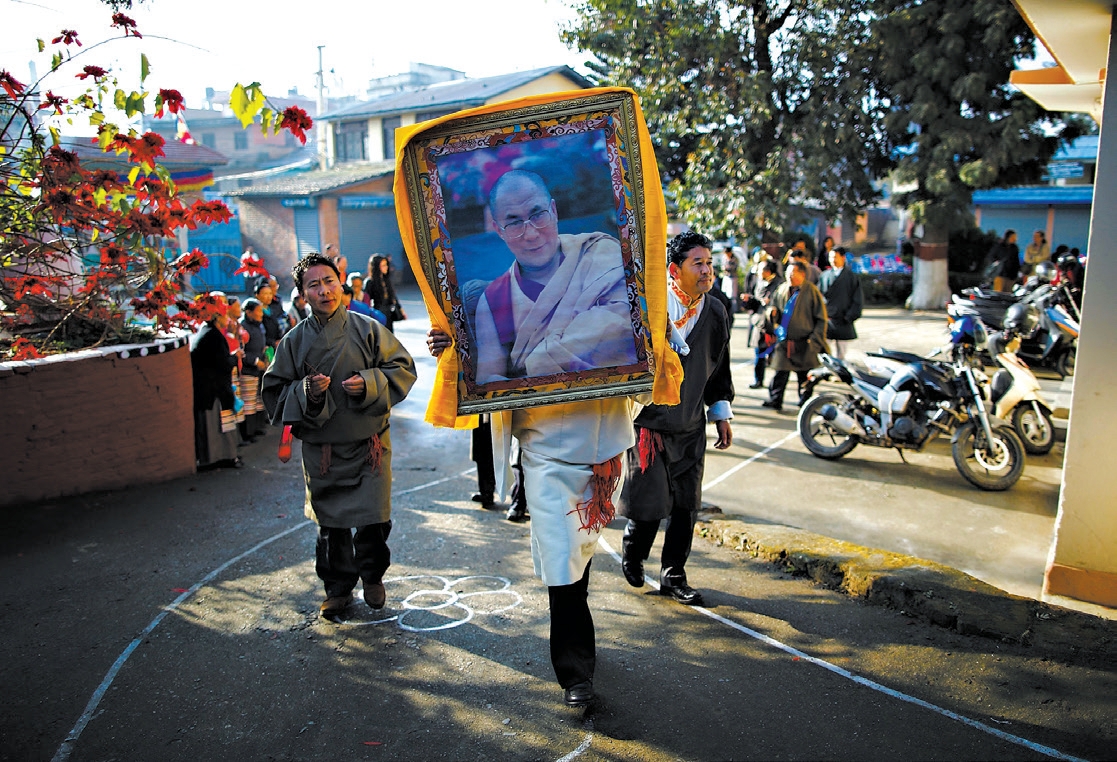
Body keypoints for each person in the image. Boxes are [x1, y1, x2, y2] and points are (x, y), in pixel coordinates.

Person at [263, 253, 417, 620]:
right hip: (324, 451)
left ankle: (373, 576)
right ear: (302, 295)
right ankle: (338, 588)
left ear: (341, 283)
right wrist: (306, 392)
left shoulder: (368, 329)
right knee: (331, 526)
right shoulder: (293, 341)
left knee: (374, 520)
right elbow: (273, 392)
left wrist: (369, 383)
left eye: (329, 281)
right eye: (313, 285)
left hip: (370, 447)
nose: (324, 290)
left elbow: (402, 368)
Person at [619, 231, 733, 606]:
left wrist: (720, 413)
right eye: (697, 263)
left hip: (690, 425)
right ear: (674, 268)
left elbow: (719, 367)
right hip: (649, 424)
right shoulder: (651, 305)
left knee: (686, 504)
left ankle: (674, 574)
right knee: (650, 502)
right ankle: (634, 551)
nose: (707, 271)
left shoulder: (715, 311)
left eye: (710, 263)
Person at [473, 169, 638, 383]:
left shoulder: (601, 255)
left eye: (538, 215)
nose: (531, 234)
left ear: (554, 211)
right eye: (513, 223)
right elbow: (488, 378)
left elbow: (627, 329)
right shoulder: (493, 299)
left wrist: (540, 363)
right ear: (499, 230)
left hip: (608, 411)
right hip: (537, 415)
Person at [761, 260, 828, 412]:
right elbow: (774, 306)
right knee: (780, 373)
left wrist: (815, 340)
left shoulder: (811, 291)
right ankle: (775, 400)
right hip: (785, 340)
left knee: (804, 376)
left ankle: (805, 402)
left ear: (802, 274)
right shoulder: (782, 289)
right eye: (788, 273)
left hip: (804, 341)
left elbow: (821, 319)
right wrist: (772, 312)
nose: (789, 276)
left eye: (793, 273)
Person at [190, 292, 243, 469]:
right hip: (213, 392)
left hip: (210, 390)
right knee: (218, 427)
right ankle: (220, 459)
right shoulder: (213, 336)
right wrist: (234, 358)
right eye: (224, 315)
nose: (227, 319)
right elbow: (222, 363)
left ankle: (221, 457)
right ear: (217, 317)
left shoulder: (207, 333)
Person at [817, 246, 863, 360]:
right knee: (824, 349)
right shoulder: (824, 275)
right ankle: (827, 371)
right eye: (831, 257)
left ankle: (840, 373)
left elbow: (857, 299)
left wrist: (849, 316)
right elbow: (818, 296)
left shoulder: (852, 277)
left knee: (841, 353)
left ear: (843, 258)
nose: (832, 260)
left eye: (835, 257)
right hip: (828, 318)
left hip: (843, 318)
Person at [239, 297, 270, 441]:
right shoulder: (242, 327)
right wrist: (255, 361)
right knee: (249, 402)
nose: (261, 314)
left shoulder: (258, 325)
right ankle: (248, 433)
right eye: (258, 311)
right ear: (249, 312)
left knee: (258, 400)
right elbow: (241, 351)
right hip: (249, 370)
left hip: (259, 370)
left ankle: (257, 427)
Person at [748, 260, 781, 388]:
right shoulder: (759, 282)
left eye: (761, 270)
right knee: (759, 355)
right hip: (759, 324)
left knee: (776, 357)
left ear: (768, 271)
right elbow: (756, 301)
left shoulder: (779, 284)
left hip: (773, 326)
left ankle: (775, 385)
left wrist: (771, 305)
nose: (758, 273)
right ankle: (758, 380)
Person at [365, 255, 406, 331]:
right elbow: (366, 299)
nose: (386, 267)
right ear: (377, 267)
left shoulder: (386, 279)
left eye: (386, 265)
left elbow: (393, 296)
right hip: (378, 312)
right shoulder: (370, 282)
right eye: (383, 265)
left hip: (389, 312)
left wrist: (400, 309)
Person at [255, 279, 284, 348]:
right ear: (257, 295)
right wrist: (272, 342)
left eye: (270, 293)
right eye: (265, 294)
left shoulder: (272, 309)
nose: (268, 296)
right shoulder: (257, 312)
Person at [721, 247, 740, 312]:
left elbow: (734, 267)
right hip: (726, 276)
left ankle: (733, 310)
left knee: (733, 295)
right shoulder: (724, 258)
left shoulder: (734, 259)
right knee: (724, 292)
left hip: (733, 277)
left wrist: (727, 268)